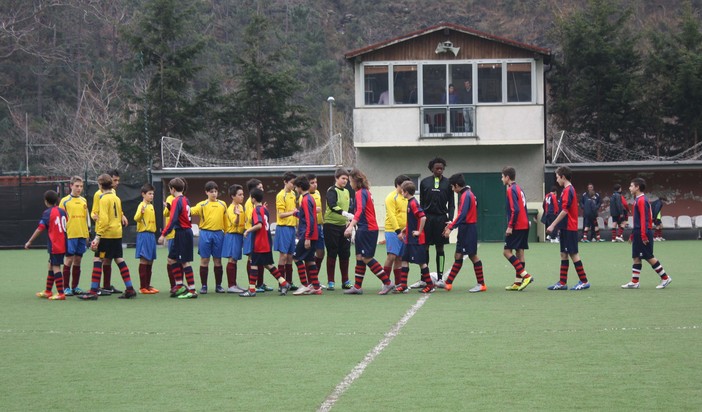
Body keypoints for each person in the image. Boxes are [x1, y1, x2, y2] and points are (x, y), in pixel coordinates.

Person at [79, 174, 137, 300]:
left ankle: (93, 291)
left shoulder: (104, 199)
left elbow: (104, 220)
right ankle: (130, 288)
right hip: (117, 233)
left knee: (98, 259)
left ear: (100, 185)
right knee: (119, 258)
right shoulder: (116, 197)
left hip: (106, 234)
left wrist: (97, 237)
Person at [343, 168, 395, 295]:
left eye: (350, 181)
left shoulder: (360, 193)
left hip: (367, 229)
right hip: (365, 228)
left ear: (355, 181)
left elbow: (360, 211)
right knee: (359, 257)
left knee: (366, 258)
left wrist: (350, 227)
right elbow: (360, 212)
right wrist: (352, 223)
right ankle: (357, 286)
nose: (350, 184)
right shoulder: (366, 192)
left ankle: (387, 283)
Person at [239, 188, 292, 297]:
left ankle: (252, 290)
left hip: (259, 242)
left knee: (254, 264)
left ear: (253, 199)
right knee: (267, 265)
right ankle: (284, 283)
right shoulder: (265, 210)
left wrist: (248, 230)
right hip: (267, 241)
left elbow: (259, 225)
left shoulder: (256, 210)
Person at [621, 178, 672, 289]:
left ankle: (665, 278)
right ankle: (635, 282)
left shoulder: (642, 200)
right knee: (636, 257)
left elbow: (645, 220)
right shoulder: (638, 199)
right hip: (638, 232)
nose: (629, 188)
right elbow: (638, 221)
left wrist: (643, 235)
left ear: (637, 187)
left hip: (643, 233)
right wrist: (633, 234)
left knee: (649, 257)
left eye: (631, 185)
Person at [546, 166, 591, 290]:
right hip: (565, 227)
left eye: (557, 177)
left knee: (573, 254)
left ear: (563, 177)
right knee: (563, 254)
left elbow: (565, 211)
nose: (557, 180)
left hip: (569, 227)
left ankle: (584, 281)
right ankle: (562, 282)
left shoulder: (568, 190)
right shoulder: (566, 190)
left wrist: (553, 224)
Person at [442, 174, 486, 293]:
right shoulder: (467, 194)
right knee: (458, 255)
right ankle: (448, 283)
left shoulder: (466, 195)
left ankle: (481, 284)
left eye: (452, 187)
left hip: (468, 229)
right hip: (464, 228)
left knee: (472, 255)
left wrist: (451, 227)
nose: (452, 189)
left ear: (456, 185)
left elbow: (463, 214)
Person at [158, 177, 197, 299]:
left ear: (172, 189)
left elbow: (173, 219)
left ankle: (192, 290)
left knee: (185, 262)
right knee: (171, 259)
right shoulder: (185, 199)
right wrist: (170, 208)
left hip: (183, 233)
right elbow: (181, 214)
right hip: (182, 232)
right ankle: (180, 285)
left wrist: (163, 234)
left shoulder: (176, 200)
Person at [418, 157, 454, 288]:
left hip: (441, 219)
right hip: (427, 218)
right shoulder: (424, 182)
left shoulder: (448, 183)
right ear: (432, 169)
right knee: (425, 247)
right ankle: (424, 278)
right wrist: (421, 217)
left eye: (442, 168)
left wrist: (450, 219)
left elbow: (451, 204)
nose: (439, 170)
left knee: (440, 248)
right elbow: (421, 202)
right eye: (437, 168)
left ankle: (439, 278)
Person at [25, 190, 68, 300]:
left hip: (55, 244)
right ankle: (48, 291)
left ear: (46, 201)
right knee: (51, 265)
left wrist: (30, 241)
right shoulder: (62, 211)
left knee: (56, 266)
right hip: (63, 242)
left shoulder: (47, 213)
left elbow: (40, 228)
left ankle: (60, 293)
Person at [90, 169, 127, 295]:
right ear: (109, 181)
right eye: (115, 180)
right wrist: (94, 216)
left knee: (100, 259)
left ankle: (96, 289)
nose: (116, 183)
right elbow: (94, 211)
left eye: (117, 180)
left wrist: (122, 215)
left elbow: (109, 215)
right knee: (112, 259)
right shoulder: (98, 195)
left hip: (105, 232)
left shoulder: (110, 195)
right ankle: (126, 288)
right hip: (113, 231)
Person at [395, 181, 434, 294]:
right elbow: (413, 220)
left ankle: (430, 285)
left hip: (417, 239)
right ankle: (403, 285)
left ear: (405, 192)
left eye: (402, 190)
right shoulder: (409, 202)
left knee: (421, 262)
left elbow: (423, 218)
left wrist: (419, 232)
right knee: (404, 259)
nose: (401, 192)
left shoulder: (413, 203)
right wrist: (405, 230)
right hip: (409, 238)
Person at [190, 181, 227, 294]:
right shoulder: (202, 205)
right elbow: (189, 211)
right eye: (211, 192)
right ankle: (204, 286)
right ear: (206, 192)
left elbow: (225, 220)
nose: (214, 194)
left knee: (218, 260)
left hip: (218, 234)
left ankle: (218, 285)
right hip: (205, 233)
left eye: (215, 191)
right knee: (204, 260)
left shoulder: (223, 204)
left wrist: (226, 233)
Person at [501, 167, 534, 291]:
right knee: (520, 252)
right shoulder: (519, 188)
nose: (501, 179)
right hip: (524, 224)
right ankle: (518, 282)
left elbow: (516, 209)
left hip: (517, 225)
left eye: (502, 176)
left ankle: (526, 276)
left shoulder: (510, 190)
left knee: (506, 252)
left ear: (507, 177)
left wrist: (510, 226)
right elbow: (523, 207)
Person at [291, 176, 323, 295]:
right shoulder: (309, 198)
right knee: (310, 260)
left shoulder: (305, 199)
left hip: (307, 234)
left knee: (296, 257)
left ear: (299, 187)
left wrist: (307, 237)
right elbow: (307, 216)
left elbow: (310, 219)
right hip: (313, 233)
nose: (295, 189)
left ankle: (304, 285)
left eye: (296, 187)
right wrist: (296, 213)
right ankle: (316, 286)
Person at [323, 168, 354, 289]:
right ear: (336, 178)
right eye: (343, 178)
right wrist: (345, 214)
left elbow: (350, 207)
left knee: (345, 253)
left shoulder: (347, 191)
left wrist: (350, 221)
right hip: (331, 226)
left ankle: (345, 281)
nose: (345, 181)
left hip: (343, 226)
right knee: (332, 252)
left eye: (347, 179)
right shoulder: (332, 190)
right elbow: (332, 205)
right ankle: (331, 281)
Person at [59, 176, 89, 296]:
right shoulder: (64, 201)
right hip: (70, 234)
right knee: (69, 259)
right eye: (77, 186)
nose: (79, 188)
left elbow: (86, 219)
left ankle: (75, 286)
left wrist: (87, 233)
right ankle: (65, 287)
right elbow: (61, 219)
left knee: (78, 260)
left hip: (82, 234)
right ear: (71, 186)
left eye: (81, 186)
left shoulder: (84, 201)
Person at [243, 178, 273, 293]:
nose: (263, 189)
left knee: (259, 259)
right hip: (252, 232)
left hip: (257, 232)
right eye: (260, 187)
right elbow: (254, 219)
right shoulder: (250, 203)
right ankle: (253, 285)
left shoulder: (257, 205)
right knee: (252, 258)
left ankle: (259, 283)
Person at [384, 175, 411, 286]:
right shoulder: (391, 197)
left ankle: (398, 284)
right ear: (398, 185)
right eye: (405, 185)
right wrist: (398, 231)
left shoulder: (407, 197)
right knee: (391, 256)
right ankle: (385, 282)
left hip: (404, 232)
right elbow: (392, 215)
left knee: (400, 257)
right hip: (392, 231)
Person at [274, 172, 298, 289]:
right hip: (283, 228)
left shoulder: (293, 194)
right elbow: (280, 214)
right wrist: (293, 213)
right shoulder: (280, 195)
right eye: (292, 183)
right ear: (285, 182)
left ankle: (289, 282)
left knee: (290, 256)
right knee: (283, 256)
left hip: (292, 228)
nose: (293, 185)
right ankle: (281, 284)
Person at [134, 183, 159, 294]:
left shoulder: (151, 206)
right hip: (143, 235)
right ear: (143, 194)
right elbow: (136, 218)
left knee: (150, 261)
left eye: (152, 194)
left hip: (151, 235)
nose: (151, 196)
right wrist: (141, 212)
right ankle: (142, 287)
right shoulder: (142, 205)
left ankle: (148, 285)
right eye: (149, 194)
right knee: (144, 259)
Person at [222, 184, 246, 293]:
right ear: (233, 196)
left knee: (234, 260)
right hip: (232, 235)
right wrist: (237, 216)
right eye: (239, 195)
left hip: (239, 235)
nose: (242, 197)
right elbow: (234, 222)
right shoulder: (231, 208)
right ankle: (231, 285)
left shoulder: (241, 207)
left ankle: (234, 284)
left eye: (242, 194)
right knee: (231, 259)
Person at [306, 174, 326, 285]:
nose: (315, 185)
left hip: (319, 227)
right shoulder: (304, 196)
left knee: (321, 253)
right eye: (312, 183)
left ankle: (314, 279)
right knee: (309, 255)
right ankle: (310, 281)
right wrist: (314, 210)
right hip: (310, 228)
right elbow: (304, 214)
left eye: (316, 182)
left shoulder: (317, 193)